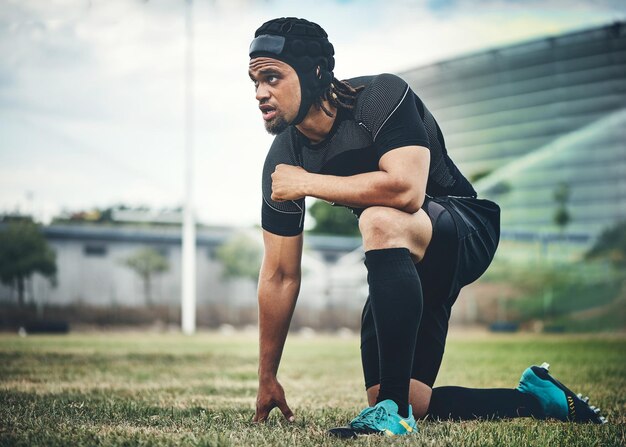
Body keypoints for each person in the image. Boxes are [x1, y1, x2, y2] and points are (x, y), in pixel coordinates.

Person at [247, 17, 606, 437]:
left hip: (465, 226)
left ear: (317, 73)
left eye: (271, 77)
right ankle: (538, 399)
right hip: (403, 261)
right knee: (403, 394)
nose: (260, 93)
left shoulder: (379, 97)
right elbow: (280, 274)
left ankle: (394, 414)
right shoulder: (284, 157)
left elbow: (406, 191)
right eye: (254, 81)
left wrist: (308, 183)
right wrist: (267, 375)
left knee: (380, 218)